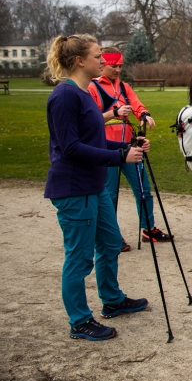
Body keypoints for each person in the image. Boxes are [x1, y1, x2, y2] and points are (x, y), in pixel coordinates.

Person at [44, 34, 149, 341]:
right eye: (98, 55)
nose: (104, 61)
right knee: (79, 257)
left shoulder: (82, 93)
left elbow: (93, 140)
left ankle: (113, 300)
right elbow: (71, 147)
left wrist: (127, 145)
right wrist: (119, 156)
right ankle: (79, 320)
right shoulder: (65, 96)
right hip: (74, 187)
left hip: (93, 184)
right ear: (79, 61)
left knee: (110, 242)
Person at [88, 46, 171, 252]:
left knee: (143, 190)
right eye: (113, 66)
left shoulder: (124, 87)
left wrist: (144, 115)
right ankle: (110, 235)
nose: (117, 70)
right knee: (109, 194)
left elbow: (137, 105)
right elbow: (89, 120)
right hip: (106, 149)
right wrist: (113, 112)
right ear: (103, 64)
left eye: (120, 66)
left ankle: (147, 228)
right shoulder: (93, 87)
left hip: (129, 146)